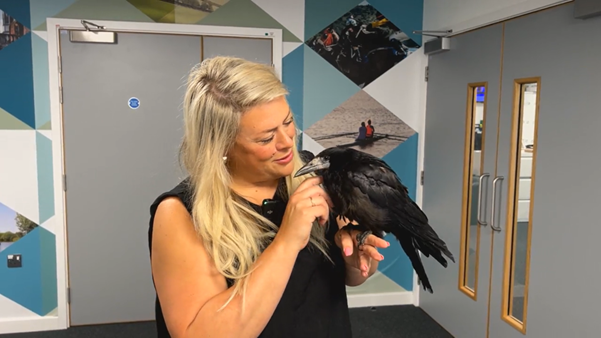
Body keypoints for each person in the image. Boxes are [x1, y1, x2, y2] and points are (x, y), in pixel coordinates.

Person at [148, 56, 389, 338]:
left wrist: (356, 262)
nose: (287, 142)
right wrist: (286, 241)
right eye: (265, 138)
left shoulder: (315, 177)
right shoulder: (181, 214)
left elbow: (347, 278)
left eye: (287, 122)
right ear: (221, 145)